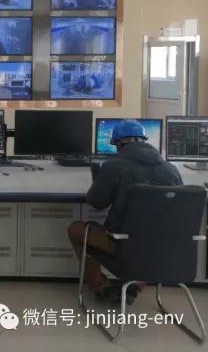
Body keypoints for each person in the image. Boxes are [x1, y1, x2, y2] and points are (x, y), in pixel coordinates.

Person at [67, 119, 182, 303]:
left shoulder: (114, 166)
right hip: (162, 246)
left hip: (124, 243)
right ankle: (135, 286)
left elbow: (97, 203)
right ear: (144, 141)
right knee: (147, 241)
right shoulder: (171, 169)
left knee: (76, 229)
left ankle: (100, 285)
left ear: (119, 144)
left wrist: (101, 180)